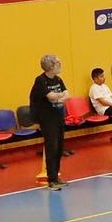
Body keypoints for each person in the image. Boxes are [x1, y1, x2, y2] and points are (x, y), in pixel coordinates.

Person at [29, 54, 71, 189]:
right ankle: (51, 178)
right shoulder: (41, 80)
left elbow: (67, 95)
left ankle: (56, 175)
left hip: (58, 117)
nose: (60, 65)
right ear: (51, 66)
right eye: (57, 63)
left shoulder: (58, 79)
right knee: (51, 147)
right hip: (47, 119)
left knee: (59, 147)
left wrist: (58, 97)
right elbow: (50, 96)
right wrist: (59, 97)